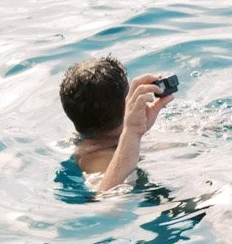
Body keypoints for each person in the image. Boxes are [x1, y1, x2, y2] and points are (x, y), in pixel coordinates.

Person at [58, 55, 175, 192]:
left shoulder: (124, 134)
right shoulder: (95, 159)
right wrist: (132, 132)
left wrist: (133, 131)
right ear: (128, 105)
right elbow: (108, 202)